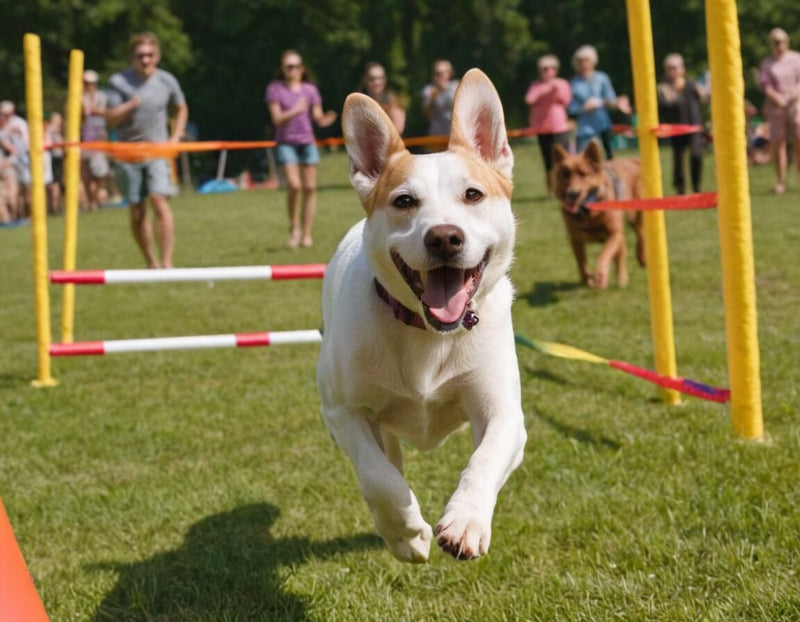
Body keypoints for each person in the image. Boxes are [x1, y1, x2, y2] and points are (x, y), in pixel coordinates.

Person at [106, 32, 188, 268]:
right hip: (128, 153)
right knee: (137, 210)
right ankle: (151, 261)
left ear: (157, 56)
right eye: (140, 55)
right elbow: (110, 119)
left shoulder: (167, 80)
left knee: (159, 199)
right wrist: (129, 105)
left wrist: (175, 137)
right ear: (132, 57)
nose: (145, 60)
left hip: (157, 150)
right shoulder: (118, 82)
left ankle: (167, 262)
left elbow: (181, 108)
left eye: (150, 55)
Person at [265, 49, 337, 249]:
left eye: (296, 66)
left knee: (310, 188)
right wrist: (295, 110)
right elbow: (276, 119)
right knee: (294, 186)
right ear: (283, 69)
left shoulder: (310, 90)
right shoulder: (275, 89)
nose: (293, 70)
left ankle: (306, 233)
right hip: (286, 143)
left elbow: (317, 116)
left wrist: (325, 120)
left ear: (302, 69)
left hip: (307, 142)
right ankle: (294, 226)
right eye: (289, 67)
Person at [567, 45, 631, 158]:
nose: (584, 64)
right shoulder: (574, 83)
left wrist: (600, 102)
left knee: (608, 158)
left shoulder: (602, 78)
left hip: (603, 125)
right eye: (580, 61)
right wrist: (583, 108)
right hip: (584, 129)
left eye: (586, 60)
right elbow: (571, 108)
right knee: (582, 159)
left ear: (593, 61)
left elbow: (612, 100)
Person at [657, 53, 708, 194]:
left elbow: (704, 99)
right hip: (676, 128)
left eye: (675, 67)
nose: (673, 71)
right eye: (670, 68)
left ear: (682, 69)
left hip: (693, 126)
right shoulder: (663, 88)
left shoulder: (691, 84)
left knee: (696, 155)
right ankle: (680, 188)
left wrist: (704, 91)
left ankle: (696, 186)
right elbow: (665, 105)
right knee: (678, 159)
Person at [757, 27, 800, 194]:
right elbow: (765, 85)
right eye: (775, 42)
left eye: (781, 42)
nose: (779, 45)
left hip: (795, 103)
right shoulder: (767, 64)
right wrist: (778, 98)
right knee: (779, 142)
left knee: (798, 139)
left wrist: (793, 96)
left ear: (786, 42)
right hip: (776, 106)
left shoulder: (796, 59)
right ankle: (781, 181)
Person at [525, 54, 572, 196]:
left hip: (559, 127)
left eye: (551, 68)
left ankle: (567, 187)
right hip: (542, 128)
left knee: (564, 159)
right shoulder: (536, 85)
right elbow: (529, 99)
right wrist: (545, 89)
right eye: (545, 68)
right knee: (548, 162)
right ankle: (551, 191)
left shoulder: (562, 83)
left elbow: (566, 100)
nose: (548, 71)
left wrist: (555, 89)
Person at [81, 69, 111, 211]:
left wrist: (92, 110)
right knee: (87, 173)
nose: (89, 85)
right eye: (87, 83)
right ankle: (92, 202)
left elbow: (106, 113)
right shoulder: (79, 98)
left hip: (99, 138)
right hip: (85, 139)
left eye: (91, 83)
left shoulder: (102, 96)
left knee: (100, 172)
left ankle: (99, 197)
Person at [0, 100, 31, 220]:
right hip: (10, 162)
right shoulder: (4, 125)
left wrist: (13, 157)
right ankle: (17, 215)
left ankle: (26, 214)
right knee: (14, 191)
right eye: (3, 114)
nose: (4, 116)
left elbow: (24, 145)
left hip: (22, 160)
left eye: (7, 114)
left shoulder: (19, 123)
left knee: (25, 189)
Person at [361, 62, 406, 135]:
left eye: (380, 78)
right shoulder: (359, 103)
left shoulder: (393, 103)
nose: (377, 82)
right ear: (365, 80)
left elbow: (398, 130)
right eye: (372, 79)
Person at [421, 59, 459, 136]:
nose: (438, 77)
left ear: (449, 73)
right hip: (436, 136)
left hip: (454, 134)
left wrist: (446, 89)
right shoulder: (429, 90)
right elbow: (426, 113)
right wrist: (434, 95)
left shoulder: (456, 87)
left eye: (441, 73)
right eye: (436, 73)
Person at [44, 111, 64, 214]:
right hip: (53, 158)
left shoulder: (55, 130)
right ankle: (54, 208)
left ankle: (55, 208)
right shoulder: (53, 130)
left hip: (56, 159)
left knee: (54, 184)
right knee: (54, 184)